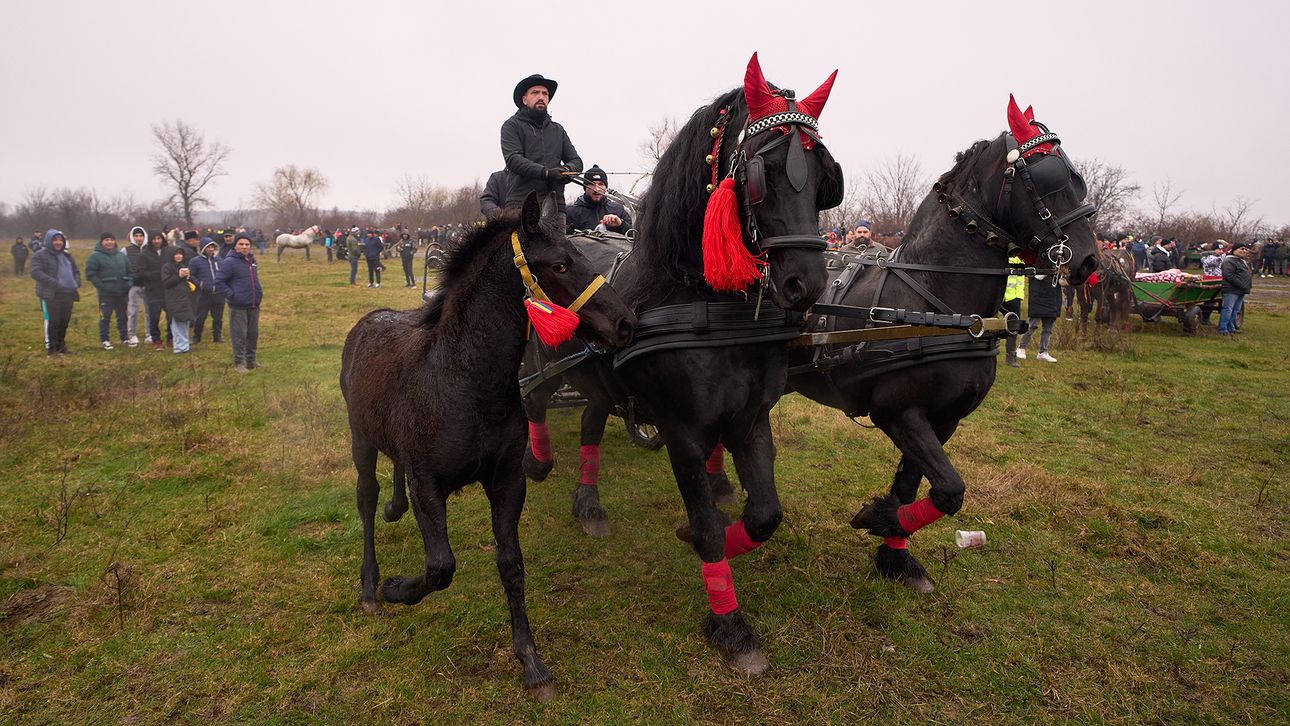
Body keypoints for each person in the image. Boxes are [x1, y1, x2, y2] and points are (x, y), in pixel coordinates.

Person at [500, 73, 582, 223]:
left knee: (559, 247)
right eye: (535, 92)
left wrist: (567, 171)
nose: (541, 97)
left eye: (545, 93)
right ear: (524, 99)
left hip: (556, 207)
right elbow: (513, 159)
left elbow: (576, 161)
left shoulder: (558, 130)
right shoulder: (511, 126)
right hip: (521, 206)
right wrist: (546, 173)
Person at [215, 232, 263, 372]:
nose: (244, 247)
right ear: (235, 246)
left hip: (253, 304)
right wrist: (232, 295)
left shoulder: (252, 261)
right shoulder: (229, 262)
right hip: (238, 306)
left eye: (247, 244)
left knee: (252, 334)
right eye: (241, 244)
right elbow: (219, 281)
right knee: (239, 335)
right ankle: (239, 362)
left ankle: (251, 361)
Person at [30, 229, 81, 355]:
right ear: (49, 241)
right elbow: (35, 272)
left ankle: (61, 346)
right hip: (51, 294)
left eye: (60, 240)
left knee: (64, 321)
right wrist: (54, 282)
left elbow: (76, 272)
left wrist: (76, 283)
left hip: (68, 294)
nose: (58, 242)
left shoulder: (67, 256)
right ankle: (52, 349)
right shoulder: (40, 255)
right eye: (55, 240)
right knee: (54, 322)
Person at [84, 232, 133, 350]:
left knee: (122, 316)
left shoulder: (121, 256)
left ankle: (124, 338)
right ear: (101, 242)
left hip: (122, 292)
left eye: (111, 240)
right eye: (106, 240)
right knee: (105, 317)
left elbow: (130, 271)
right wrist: (102, 286)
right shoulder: (95, 256)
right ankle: (105, 339)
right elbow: (90, 274)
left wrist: (128, 284)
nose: (109, 242)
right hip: (106, 294)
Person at [565, 165, 633, 234]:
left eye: (601, 184)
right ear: (585, 188)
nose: (596, 189)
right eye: (592, 184)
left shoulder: (619, 210)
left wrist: (620, 225)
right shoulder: (570, 213)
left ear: (606, 187)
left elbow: (633, 237)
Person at [135, 231, 170, 350]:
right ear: (150, 240)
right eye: (154, 239)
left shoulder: (168, 252)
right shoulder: (144, 254)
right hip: (153, 289)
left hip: (168, 288)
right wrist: (159, 274)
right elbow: (141, 273)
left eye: (158, 238)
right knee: (154, 316)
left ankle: (171, 337)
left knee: (171, 315)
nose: (156, 241)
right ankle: (156, 339)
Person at [1018, 274, 1061, 363]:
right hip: (1038, 300)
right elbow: (1038, 276)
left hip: (1053, 299)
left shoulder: (1058, 266)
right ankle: (1021, 348)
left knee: (1048, 329)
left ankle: (1043, 352)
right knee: (1032, 326)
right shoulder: (1038, 268)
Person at [161, 245, 196, 354]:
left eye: (180, 253)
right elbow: (166, 283)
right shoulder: (166, 267)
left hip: (184, 298)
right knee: (177, 323)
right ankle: (180, 348)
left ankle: (185, 345)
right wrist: (179, 276)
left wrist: (187, 277)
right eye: (176, 254)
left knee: (185, 322)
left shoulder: (182, 265)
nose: (178, 256)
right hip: (174, 299)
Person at [190, 237, 224, 343]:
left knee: (218, 317)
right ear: (203, 248)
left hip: (218, 294)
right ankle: (197, 336)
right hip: (204, 294)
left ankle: (217, 336)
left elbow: (225, 274)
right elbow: (190, 275)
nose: (210, 249)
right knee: (200, 317)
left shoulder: (219, 260)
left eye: (212, 247)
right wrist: (200, 284)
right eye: (208, 247)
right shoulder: (195, 261)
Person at [1218, 242, 1253, 336]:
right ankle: (1222, 328)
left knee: (1236, 310)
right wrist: (1241, 284)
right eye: (1242, 249)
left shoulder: (1242, 261)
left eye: (1246, 249)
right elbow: (1228, 275)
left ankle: (1231, 327)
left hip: (1241, 289)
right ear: (1234, 250)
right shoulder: (1229, 260)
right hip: (1231, 289)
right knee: (1228, 309)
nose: (1244, 251)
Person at [124, 226, 148, 346]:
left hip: (148, 285)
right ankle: (132, 334)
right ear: (132, 237)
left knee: (149, 311)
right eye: (136, 236)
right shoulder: (126, 250)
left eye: (141, 235)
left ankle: (149, 334)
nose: (139, 238)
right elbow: (122, 268)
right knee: (133, 311)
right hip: (134, 285)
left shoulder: (149, 250)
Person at [1001, 256, 1025, 367]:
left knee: (1013, 328)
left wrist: (1019, 296)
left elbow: (1020, 280)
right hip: (999, 296)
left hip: (1013, 298)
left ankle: (1010, 357)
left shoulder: (1020, 259)